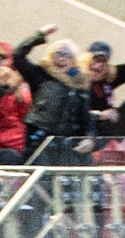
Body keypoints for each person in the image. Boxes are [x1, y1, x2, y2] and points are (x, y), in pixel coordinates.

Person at [12, 25, 93, 162]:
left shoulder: (81, 84)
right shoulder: (40, 75)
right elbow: (17, 56)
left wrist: (90, 139)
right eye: (58, 54)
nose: (61, 58)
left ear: (74, 61)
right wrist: (39, 35)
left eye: (66, 55)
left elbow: (86, 118)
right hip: (40, 142)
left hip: (68, 145)